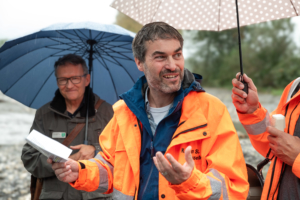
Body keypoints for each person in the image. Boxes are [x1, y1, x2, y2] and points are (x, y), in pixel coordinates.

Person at [49, 22, 249, 200]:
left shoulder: (211, 110)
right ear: (139, 63)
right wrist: (80, 172)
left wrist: (189, 181)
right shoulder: (123, 112)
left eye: (177, 54)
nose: (172, 66)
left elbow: (234, 187)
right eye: (160, 57)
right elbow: (110, 168)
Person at [21, 54, 113, 200]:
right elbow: (29, 157)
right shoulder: (44, 114)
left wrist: (95, 152)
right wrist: (65, 162)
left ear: (87, 79)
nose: (69, 85)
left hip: (95, 196)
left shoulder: (109, 112)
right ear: (57, 82)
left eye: (75, 78)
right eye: (63, 80)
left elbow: (121, 158)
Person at [232, 73, 300, 199]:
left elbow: (292, 152)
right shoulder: (295, 87)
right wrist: (252, 112)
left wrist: (297, 157)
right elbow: (277, 147)